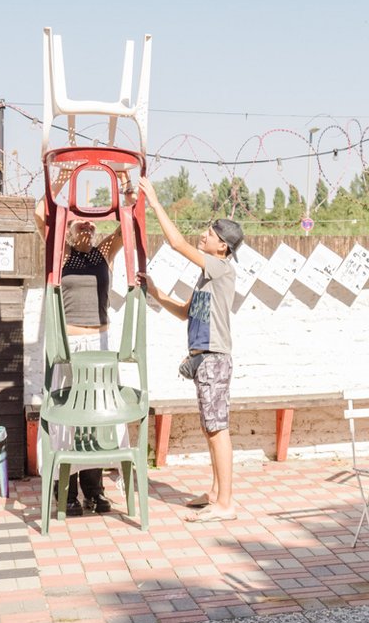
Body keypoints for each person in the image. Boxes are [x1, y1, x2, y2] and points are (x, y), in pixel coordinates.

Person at [139, 178, 244, 517]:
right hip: (203, 359)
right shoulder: (207, 278)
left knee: (217, 429)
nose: (205, 235)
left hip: (214, 358)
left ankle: (226, 504)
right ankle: (215, 493)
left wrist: (154, 202)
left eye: (212, 234)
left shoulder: (221, 267)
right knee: (209, 426)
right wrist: (156, 293)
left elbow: (177, 244)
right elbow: (186, 313)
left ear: (223, 247)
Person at [36, 182, 125, 514]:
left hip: (100, 344)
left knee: (96, 416)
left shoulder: (103, 252)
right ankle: (67, 491)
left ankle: (95, 489)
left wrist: (127, 191)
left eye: (90, 219)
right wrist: (60, 181)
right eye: (78, 219)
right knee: (68, 418)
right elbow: (38, 212)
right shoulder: (60, 252)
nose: (87, 224)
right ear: (68, 227)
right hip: (70, 345)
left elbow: (125, 224)